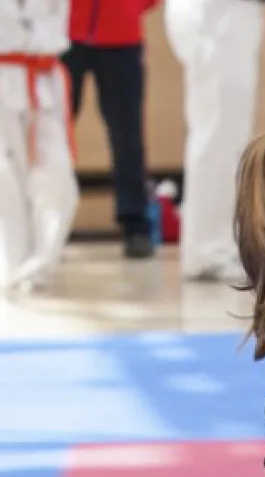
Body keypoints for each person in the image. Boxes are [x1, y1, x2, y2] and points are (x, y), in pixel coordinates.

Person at [165, 0, 264, 281]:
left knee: (229, 137)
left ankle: (220, 244)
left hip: (231, 17)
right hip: (216, 17)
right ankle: (209, 250)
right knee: (217, 136)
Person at [66, 0, 159, 259]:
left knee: (127, 135)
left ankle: (135, 225)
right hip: (65, 31)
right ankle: (46, 223)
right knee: (54, 135)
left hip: (122, 33)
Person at [0, 0, 80, 293]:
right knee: (5, 180)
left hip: (43, 75)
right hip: (3, 72)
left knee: (58, 177)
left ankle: (38, 264)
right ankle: (10, 264)